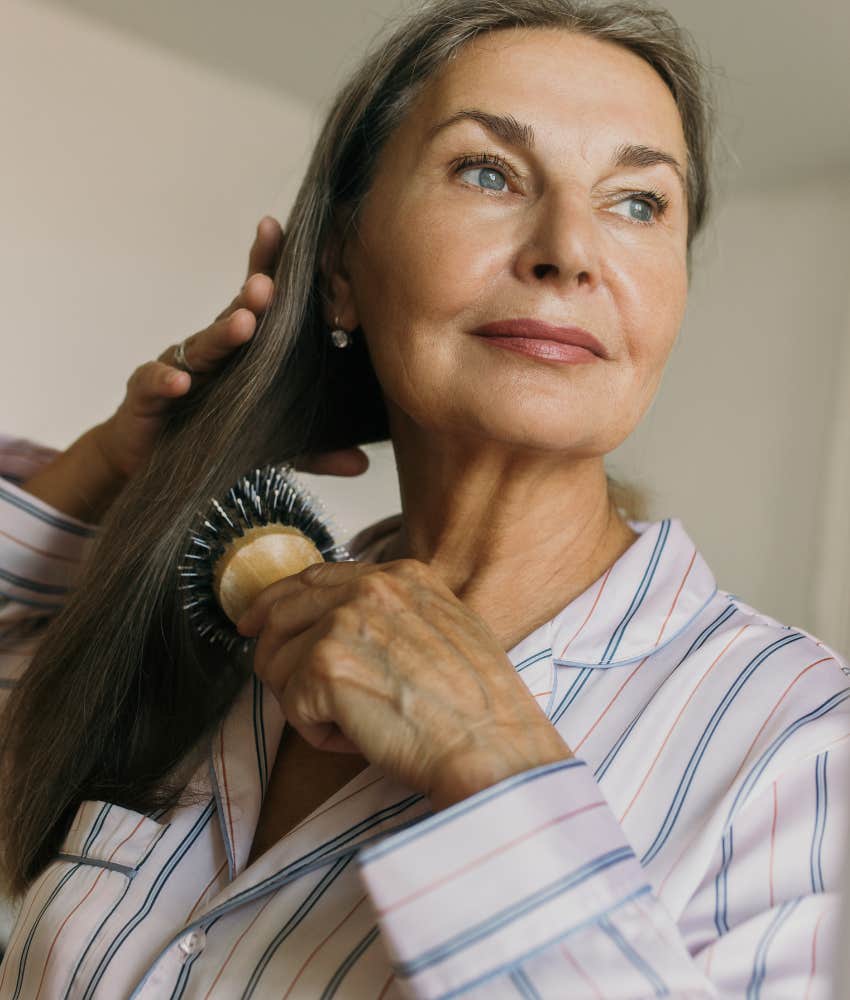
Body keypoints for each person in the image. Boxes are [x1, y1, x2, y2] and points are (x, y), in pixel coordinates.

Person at [1, 0, 847, 996]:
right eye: (487, 172)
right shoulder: (222, 624)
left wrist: (491, 761)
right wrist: (105, 468)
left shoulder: (802, 745)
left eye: (636, 202)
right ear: (342, 271)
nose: (569, 249)